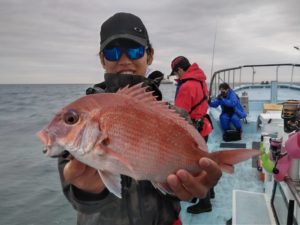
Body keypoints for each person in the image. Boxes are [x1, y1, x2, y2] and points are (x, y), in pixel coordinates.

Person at [58, 12, 222, 225]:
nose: (124, 60)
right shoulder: (79, 118)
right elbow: (75, 196)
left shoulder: (176, 117)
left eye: (134, 50)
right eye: (113, 51)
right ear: (102, 59)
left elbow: (185, 185)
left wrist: (193, 189)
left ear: (149, 55)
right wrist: (87, 192)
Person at [170, 56, 214, 214]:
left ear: (180, 70)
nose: (177, 77)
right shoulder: (200, 80)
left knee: (195, 167)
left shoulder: (186, 87)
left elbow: (179, 116)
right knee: (203, 162)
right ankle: (210, 191)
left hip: (194, 133)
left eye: (176, 74)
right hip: (205, 128)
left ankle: (205, 202)